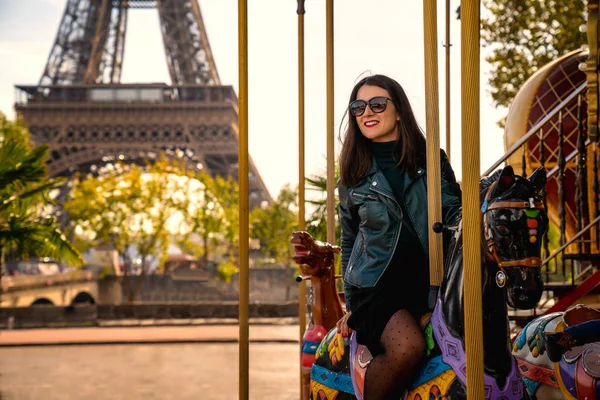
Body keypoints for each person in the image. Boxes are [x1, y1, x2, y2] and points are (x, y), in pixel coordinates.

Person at [335, 74, 462, 400]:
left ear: (400, 111)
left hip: (431, 281)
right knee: (407, 348)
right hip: (377, 287)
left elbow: (452, 212)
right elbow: (350, 239)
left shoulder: (430, 160)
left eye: (377, 104)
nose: (366, 112)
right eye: (358, 106)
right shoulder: (353, 173)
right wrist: (350, 303)